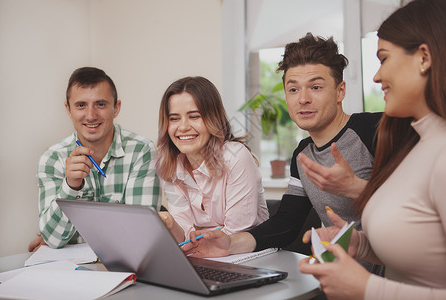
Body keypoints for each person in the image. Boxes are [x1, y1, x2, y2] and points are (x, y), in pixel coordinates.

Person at [182, 33, 383, 274]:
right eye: (293, 89)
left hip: (395, 278)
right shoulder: (303, 154)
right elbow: (286, 224)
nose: (303, 99)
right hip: (342, 278)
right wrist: (229, 244)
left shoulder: (375, 130)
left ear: (340, 91)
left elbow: (417, 202)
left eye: (316, 87)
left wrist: (355, 187)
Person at [299, 0, 446, 299]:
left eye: (384, 58)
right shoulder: (415, 144)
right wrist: (358, 244)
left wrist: (367, 289)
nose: (377, 77)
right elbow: (425, 255)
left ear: (423, 57)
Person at [28, 67, 162, 250]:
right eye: (81, 105)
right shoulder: (52, 158)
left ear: (116, 108)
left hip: (125, 267)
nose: (91, 116)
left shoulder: (141, 150)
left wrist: (75, 236)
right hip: (71, 271)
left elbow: (141, 233)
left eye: (100, 104)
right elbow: (54, 239)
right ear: (68, 109)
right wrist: (71, 186)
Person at [155, 76, 269, 244]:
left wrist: (197, 232)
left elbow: (235, 235)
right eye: (174, 118)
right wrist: (172, 225)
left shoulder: (235, 157)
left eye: (194, 116)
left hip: (253, 258)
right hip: (205, 258)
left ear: (212, 118)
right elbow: (184, 237)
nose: (183, 127)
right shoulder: (173, 166)